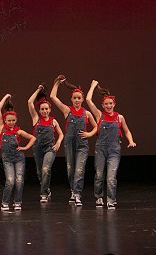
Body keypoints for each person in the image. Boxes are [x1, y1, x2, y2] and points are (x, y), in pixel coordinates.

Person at [85, 80, 136, 209]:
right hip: (101, 148)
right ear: (102, 105)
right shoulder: (99, 115)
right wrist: (92, 86)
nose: (108, 106)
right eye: (106, 104)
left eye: (110, 103)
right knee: (99, 175)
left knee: (111, 177)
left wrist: (131, 141)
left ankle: (111, 199)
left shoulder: (120, 117)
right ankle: (99, 197)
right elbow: (88, 100)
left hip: (114, 149)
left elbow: (127, 131)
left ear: (114, 104)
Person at [49, 75, 98, 206]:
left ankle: (77, 194)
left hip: (82, 145)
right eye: (74, 98)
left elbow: (96, 127)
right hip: (69, 143)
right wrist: (57, 83)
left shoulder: (86, 113)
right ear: (71, 99)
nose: (77, 100)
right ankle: (73, 190)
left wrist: (89, 134)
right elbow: (53, 97)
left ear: (82, 99)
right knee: (70, 169)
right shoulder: (67, 110)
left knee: (79, 170)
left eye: (79, 98)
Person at [0, 94, 36, 211]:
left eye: (13, 120)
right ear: (5, 120)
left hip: (18, 158)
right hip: (7, 158)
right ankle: (5, 203)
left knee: (19, 181)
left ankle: (17, 202)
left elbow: (33, 138)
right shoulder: (1, 128)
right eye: (9, 120)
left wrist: (25, 147)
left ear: (16, 120)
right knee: (10, 181)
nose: (11, 122)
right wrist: (5, 97)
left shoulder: (19, 131)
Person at [27, 85, 63, 203]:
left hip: (50, 148)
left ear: (50, 109)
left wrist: (58, 142)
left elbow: (61, 134)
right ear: (39, 110)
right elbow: (30, 102)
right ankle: (46, 189)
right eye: (42, 109)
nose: (44, 111)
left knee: (46, 169)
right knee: (40, 172)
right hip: (37, 148)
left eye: (46, 109)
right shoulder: (36, 119)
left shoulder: (53, 121)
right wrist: (38, 90)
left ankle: (43, 194)